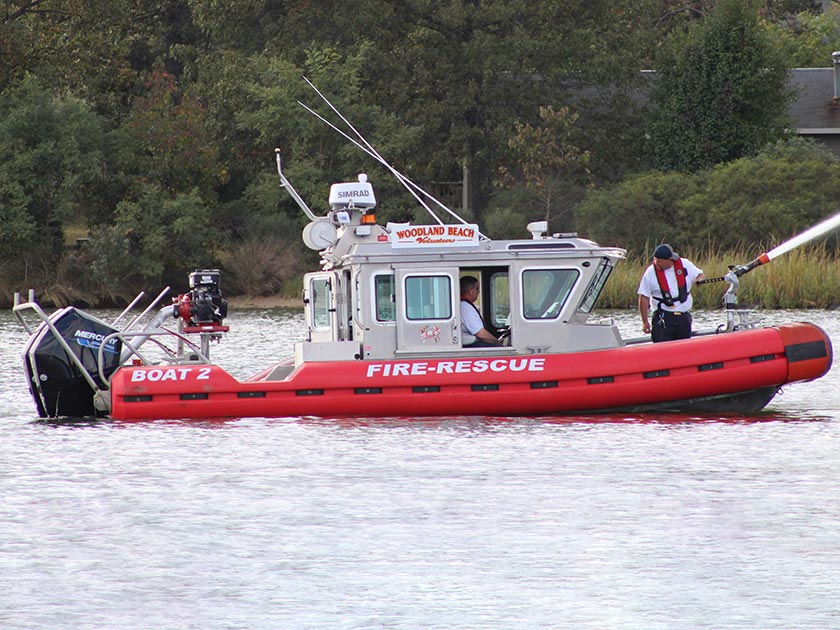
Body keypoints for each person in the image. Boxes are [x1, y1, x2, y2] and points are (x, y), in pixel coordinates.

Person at [638, 243, 704, 342]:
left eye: (659, 261)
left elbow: (700, 274)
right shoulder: (651, 272)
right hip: (663, 318)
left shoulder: (685, 264)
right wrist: (645, 322)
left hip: (683, 318)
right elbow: (644, 297)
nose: (656, 263)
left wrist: (699, 280)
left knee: (684, 349)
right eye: (655, 260)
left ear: (670, 260)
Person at [459, 276, 500, 346]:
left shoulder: (463, 304)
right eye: (477, 288)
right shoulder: (465, 307)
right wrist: (498, 343)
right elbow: (481, 334)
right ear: (469, 291)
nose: (479, 291)